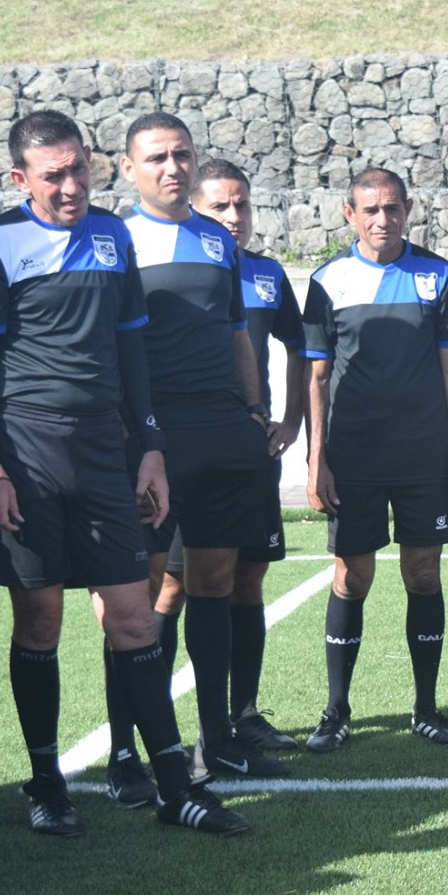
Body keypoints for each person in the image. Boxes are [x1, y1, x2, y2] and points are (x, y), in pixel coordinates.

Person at [0, 109, 246, 837]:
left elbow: (130, 349)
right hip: (25, 455)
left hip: (103, 452)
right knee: (41, 620)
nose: (70, 186)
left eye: (78, 170)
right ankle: (46, 782)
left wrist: (149, 446)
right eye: (53, 175)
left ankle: (175, 787)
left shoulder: (111, 236)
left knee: (133, 616)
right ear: (20, 179)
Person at [101, 115, 283, 796]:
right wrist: (129, 429)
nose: (172, 167)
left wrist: (254, 410)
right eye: (156, 157)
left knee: (215, 584)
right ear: (128, 168)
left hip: (223, 432)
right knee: (141, 598)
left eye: (181, 154)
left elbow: (237, 332)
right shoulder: (113, 240)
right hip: (149, 436)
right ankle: (127, 753)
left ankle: (218, 740)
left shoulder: (215, 239)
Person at [302, 168, 448, 752]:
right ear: (349, 215)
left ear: (409, 209)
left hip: (424, 456)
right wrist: (316, 459)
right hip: (353, 457)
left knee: (423, 575)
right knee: (352, 578)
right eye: (371, 210)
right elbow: (317, 377)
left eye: (393, 208)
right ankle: (336, 710)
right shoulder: (328, 280)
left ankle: (426, 708)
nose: (383, 220)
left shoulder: (438, 275)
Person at [145, 158, 307, 758]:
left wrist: (285, 419)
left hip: (245, 447)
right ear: (196, 207)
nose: (234, 216)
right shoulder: (164, 258)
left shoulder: (263, 272)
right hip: (177, 446)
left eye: (242, 204)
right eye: (220, 206)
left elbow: (300, 346)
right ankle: (154, 722)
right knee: (171, 587)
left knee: (247, 580)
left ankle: (241, 716)